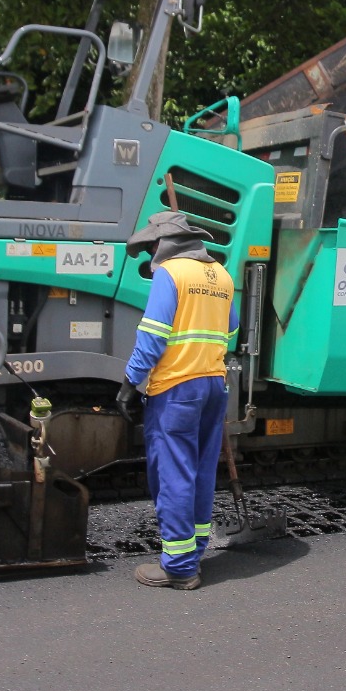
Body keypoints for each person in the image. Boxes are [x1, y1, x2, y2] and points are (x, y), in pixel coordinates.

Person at [123, 211, 237, 590]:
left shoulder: (170, 273)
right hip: (213, 385)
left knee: (173, 475)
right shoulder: (221, 275)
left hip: (176, 389)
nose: (150, 254)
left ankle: (180, 567)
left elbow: (153, 336)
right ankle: (195, 553)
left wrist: (129, 382)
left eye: (151, 246)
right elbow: (231, 328)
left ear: (164, 243)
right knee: (201, 472)